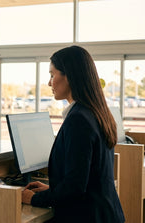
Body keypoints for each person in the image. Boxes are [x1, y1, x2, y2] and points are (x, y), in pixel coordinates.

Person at [21, 46, 125, 222]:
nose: (49, 83)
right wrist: (51, 190)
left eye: (52, 75)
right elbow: (87, 177)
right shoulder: (96, 112)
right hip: (105, 213)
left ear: (68, 76)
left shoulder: (79, 119)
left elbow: (75, 188)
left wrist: (34, 198)